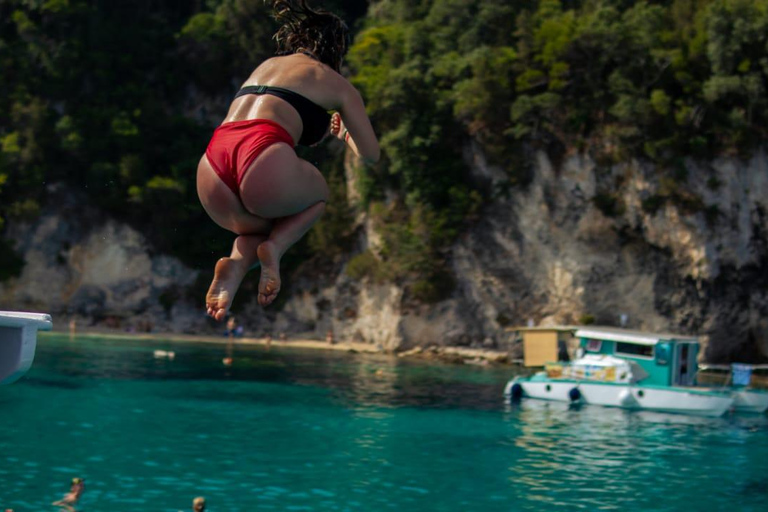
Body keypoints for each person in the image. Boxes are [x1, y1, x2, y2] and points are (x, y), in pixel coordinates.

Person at [198, 0, 380, 321]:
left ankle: (237, 264)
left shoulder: (266, 66)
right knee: (318, 195)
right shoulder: (337, 84)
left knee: (264, 223)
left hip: (212, 167)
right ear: (336, 49)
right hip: (262, 155)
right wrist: (344, 136)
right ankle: (276, 250)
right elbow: (370, 155)